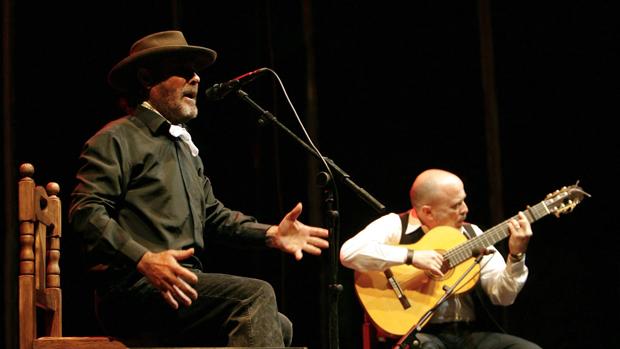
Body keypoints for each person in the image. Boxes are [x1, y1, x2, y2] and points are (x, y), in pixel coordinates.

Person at [68, 30, 329, 347]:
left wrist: (271, 234)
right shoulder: (116, 139)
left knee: (279, 324)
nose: (196, 78)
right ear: (147, 77)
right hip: (132, 289)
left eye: (196, 71)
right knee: (256, 296)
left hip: (180, 287)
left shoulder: (183, 148)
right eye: (184, 70)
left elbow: (213, 216)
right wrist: (143, 258)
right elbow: (86, 213)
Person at [340, 169, 541, 349]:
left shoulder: (472, 234)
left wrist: (516, 255)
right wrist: (412, 256)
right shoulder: (395, 226)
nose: (465, 209)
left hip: (466, 335)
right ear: (427, 211)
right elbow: (349, 253)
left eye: (464, 200)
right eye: (456, 205)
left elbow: (504, 296)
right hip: (417, 335)